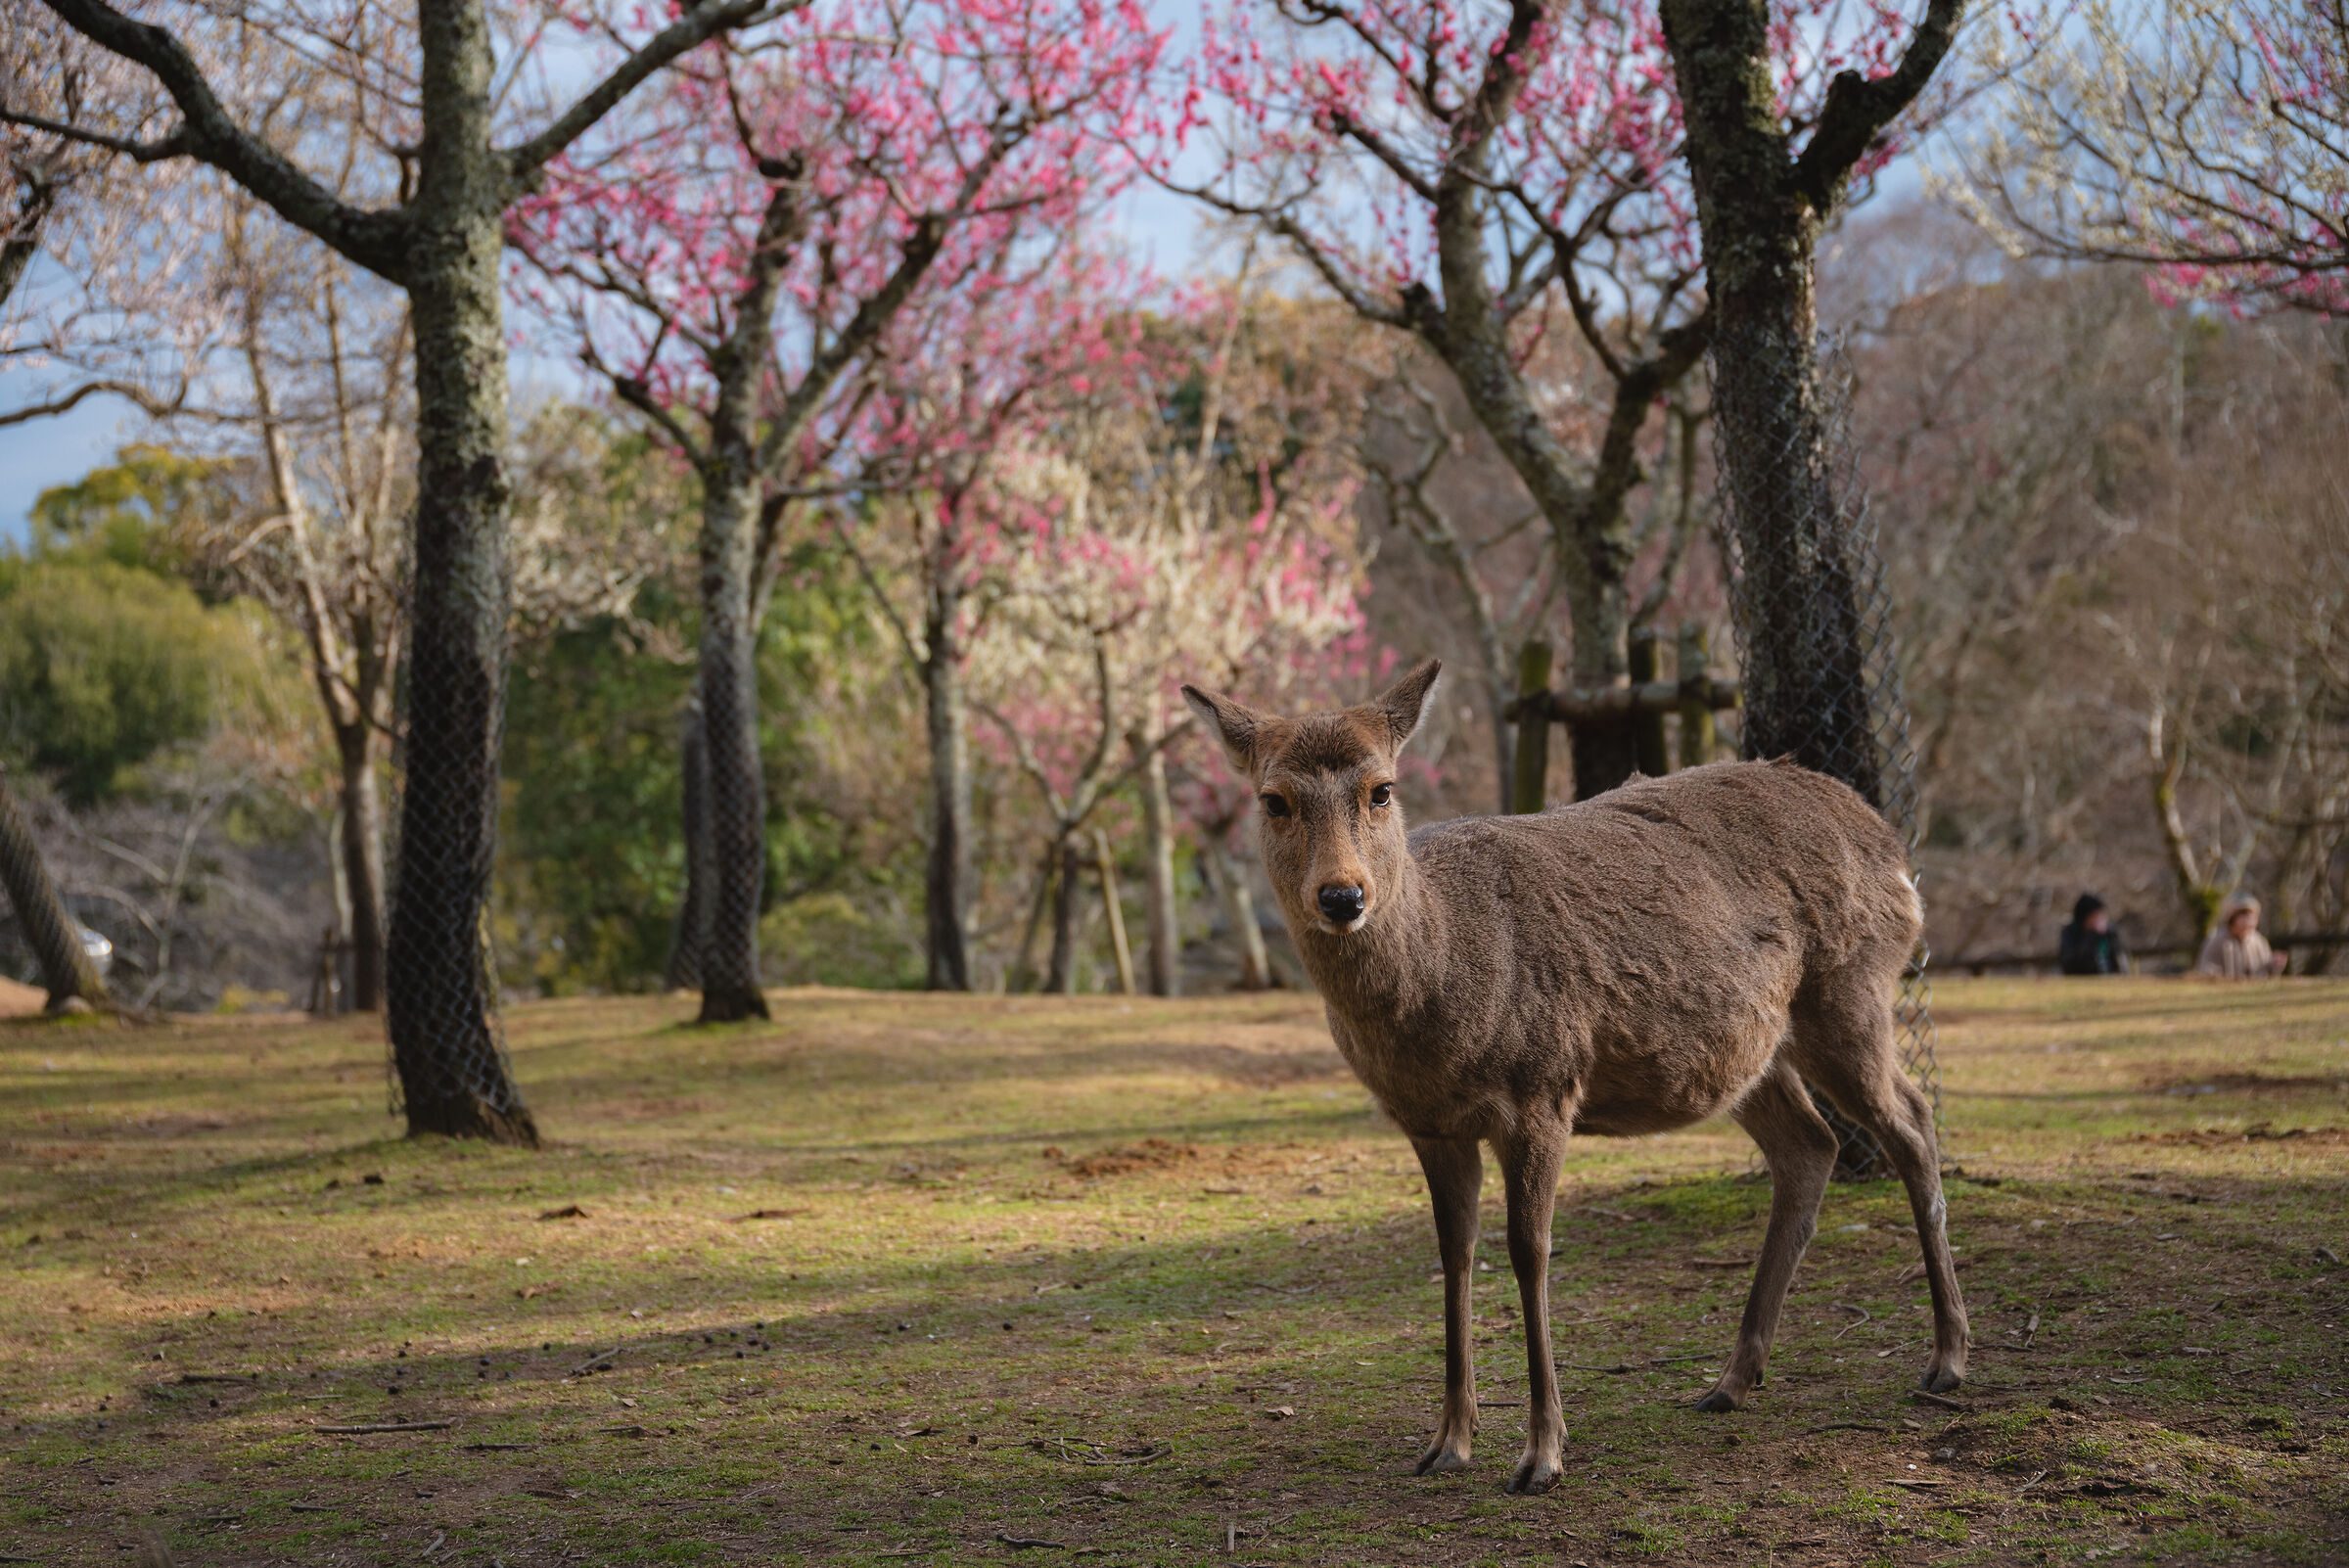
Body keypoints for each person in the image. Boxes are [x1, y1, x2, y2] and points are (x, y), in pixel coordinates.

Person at [2195, 894, 2288, 978]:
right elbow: (2205, 968)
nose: (2249, 922)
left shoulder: (2259, 942)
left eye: (2252, 917)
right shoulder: (2217, 941)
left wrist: (2274, 966)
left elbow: (2264, 974)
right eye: (2244, 916)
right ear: (2232, 918)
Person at [2057, 893, 2129, 975]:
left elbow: (2121, 961)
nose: (2099, 919)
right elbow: (2070, 965)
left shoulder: (2110, 932)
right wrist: (2091, 936)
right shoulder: (2070, 932)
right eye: (2094, 916)